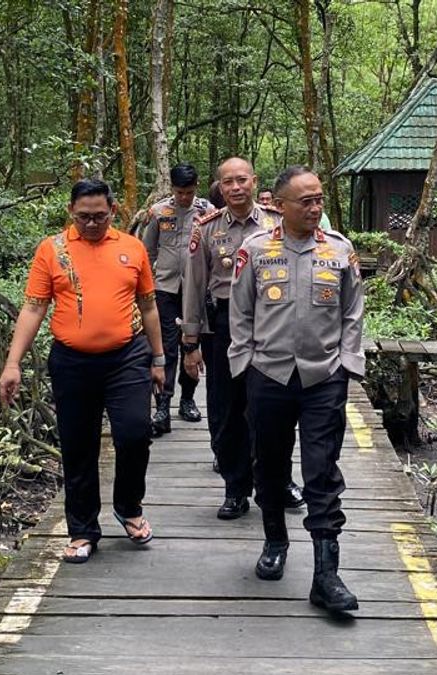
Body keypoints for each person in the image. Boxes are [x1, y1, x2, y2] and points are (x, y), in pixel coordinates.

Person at [0, 179, 166, 564]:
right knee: (78, 445)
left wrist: (158, 359)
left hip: (126, 357)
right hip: (72, 362)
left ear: (114, 211)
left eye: (100, 217)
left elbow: (149, 306)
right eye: (84, 217)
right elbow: (34, 308)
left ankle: (128, 505)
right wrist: (13, 363)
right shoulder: (52, 250)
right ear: (71, 212)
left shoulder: (131, 247)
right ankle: (82, 528)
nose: (92, 224)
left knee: (134, 432)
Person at [228, 165, 365, 612]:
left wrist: (347, 365)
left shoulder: (340, 251)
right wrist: (244, 362)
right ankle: (274, 541)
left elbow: (352, 313)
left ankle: (327, 575)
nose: (314, 207)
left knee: (322, 470)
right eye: (305, 201)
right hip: (268, 375)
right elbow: (242, 313)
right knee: (267, 464)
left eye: (319, 198)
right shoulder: (255, 251)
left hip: (323, 376)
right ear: (280, 206)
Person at [182, 157, 304, 519]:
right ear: (218, 187)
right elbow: (193, 288)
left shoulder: (277, 223)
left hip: (273, 325)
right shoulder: (206, 228)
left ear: (254, 181)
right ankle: (236, 488)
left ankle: (278, 481)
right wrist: (190, 342)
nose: (235, 188)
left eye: (242, 180)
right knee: (227, 410)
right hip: (225, 325)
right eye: (227, 182)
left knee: (275, 407)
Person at [140, 164, 212, 435]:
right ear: (172, 188)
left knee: (191, 346)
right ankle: (162, 405)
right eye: (180, 192)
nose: (185, 197)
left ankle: (188, 399)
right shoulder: (159, 213)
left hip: (196, 289)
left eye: (189, 192)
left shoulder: (207, 212)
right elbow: (147, 252)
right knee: (166, 345)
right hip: (165, 288)